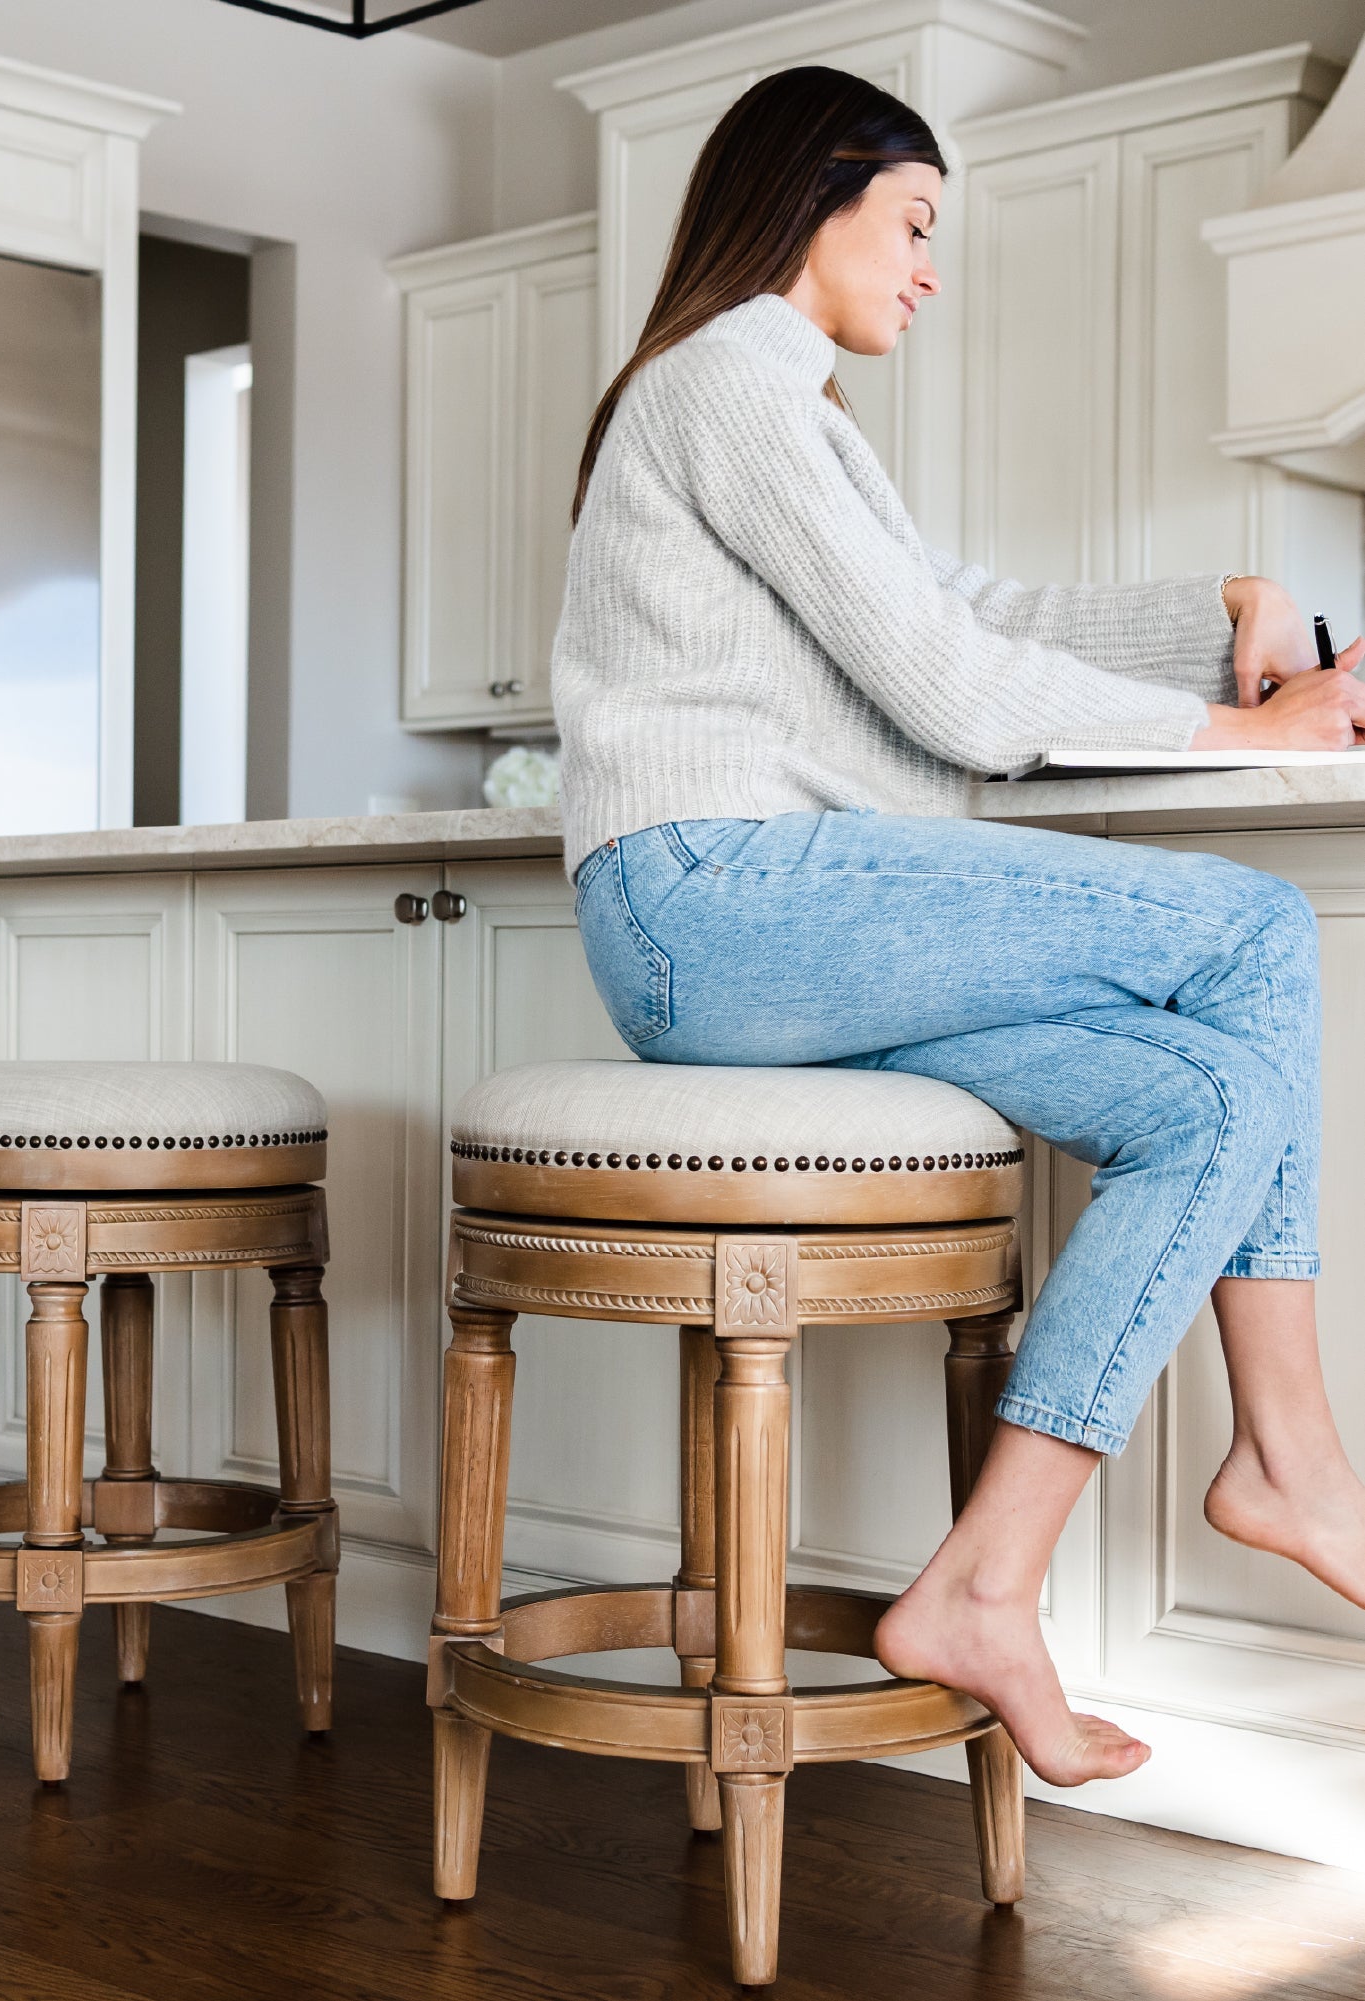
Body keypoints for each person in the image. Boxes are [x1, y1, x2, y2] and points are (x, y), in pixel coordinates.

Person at [557, 63, 1365, 1788]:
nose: (931, 268)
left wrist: (1217, 612)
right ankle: (1294, 1460)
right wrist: (1247, 728)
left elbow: (955, 606)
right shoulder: (729, 382)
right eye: (914, 223)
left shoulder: (785, 406)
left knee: (1208, 1101)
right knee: (1253, 927)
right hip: (716, 896)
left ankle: (984, 1587)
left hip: (764, 927)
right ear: (814, 197)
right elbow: (949, 682)